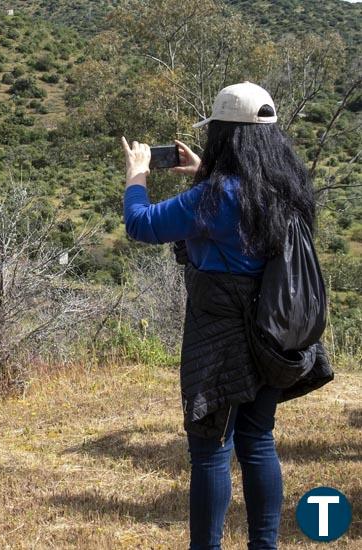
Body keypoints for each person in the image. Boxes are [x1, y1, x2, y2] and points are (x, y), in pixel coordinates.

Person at [120, 82, 333, 549]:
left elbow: (141, 225)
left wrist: (137, 175)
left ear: (224, 136)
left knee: (210, 450)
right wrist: (201, 173)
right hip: (273, 333)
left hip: (221, 337)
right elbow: (240, 215)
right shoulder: (286, 188)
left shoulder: (215, 197)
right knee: (257, 440)